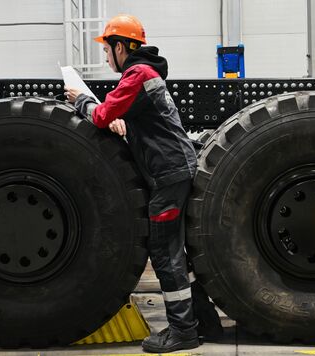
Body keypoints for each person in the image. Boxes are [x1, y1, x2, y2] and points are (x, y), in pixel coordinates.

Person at [65, 14, 222, 353]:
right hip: (173, 170)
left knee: (166, 253)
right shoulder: (146, 74)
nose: (106, 58)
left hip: (168, 175)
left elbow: (101, 115)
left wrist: (80, 99)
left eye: (107, 51)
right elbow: (130, 117)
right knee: (179, 252)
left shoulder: (136, 75)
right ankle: (203, 321)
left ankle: (183, 331)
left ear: (120, 47)